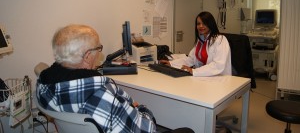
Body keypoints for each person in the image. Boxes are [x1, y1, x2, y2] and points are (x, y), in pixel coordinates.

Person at [36, 24, 194, 133]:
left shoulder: (43, 85)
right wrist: (142, 109)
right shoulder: (100, 96)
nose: (100, 52)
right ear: (87, 56)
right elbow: (146, 130)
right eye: (98, 48)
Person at [160, 11, 232, 77]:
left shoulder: (220, 40)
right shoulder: (201, 40)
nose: (200, 26)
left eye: (204, 23)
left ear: (210, 24)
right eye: (198, 24)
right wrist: (172, 64)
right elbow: (191, 59)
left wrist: (195, 71)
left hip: (219, 79)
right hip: (204, 77)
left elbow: (218, 65)